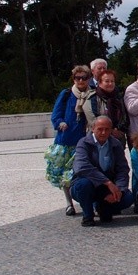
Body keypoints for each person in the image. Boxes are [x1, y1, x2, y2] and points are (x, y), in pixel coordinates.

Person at [46, 65, 94, 217]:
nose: (80, 81)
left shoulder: (92, 94)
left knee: (83, 172)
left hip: (84, 140)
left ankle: (86, 201)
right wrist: (60, 123)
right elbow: (56, 114)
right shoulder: (66, 94)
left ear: (89, 79)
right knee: (64, 175)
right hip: (66, 141)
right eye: (77, 78)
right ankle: (69, 203)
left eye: (84, 78)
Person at [70, 116, 134, 226]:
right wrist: (107, 182)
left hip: (106, 188)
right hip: (88, 184)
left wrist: (119, 189)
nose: (103, 132)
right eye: (100, 129)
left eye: (107, 129)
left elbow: (122, 169)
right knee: (83, 185)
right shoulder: (83, 143)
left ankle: (104, 206)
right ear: (93, 128)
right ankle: (88, 215)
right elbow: (82, 167)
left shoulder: (115, 144)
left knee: (128, 198)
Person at [83, 69, 129, 147]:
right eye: (107, 81)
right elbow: (92, 119)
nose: (110, 83)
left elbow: (124, 116)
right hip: (98, 139)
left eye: (112, 81)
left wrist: (120, 130)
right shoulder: (92, 98)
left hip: (118, 140)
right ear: (100, 83)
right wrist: (110, 131)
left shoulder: (118, 98)